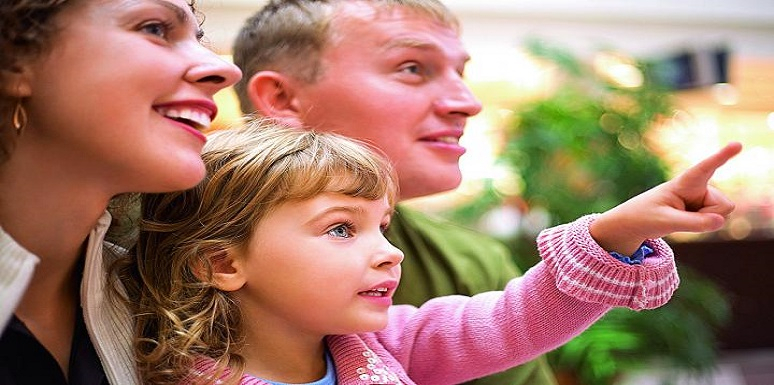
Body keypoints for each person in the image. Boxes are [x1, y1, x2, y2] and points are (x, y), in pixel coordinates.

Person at [125, 122, 741, 385]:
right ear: (221, 263)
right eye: (342, 229)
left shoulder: (388, 343)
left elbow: (513, 319)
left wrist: (614, 233)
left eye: (384, 227)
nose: (389, 254)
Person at [229, 1, 545, 383]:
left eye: (460, 73)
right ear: (282, 98)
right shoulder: (154, 244)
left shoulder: (474, 265)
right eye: (412, 68)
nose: (468, 102)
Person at [0, 0, 241, 383]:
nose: (226, 69)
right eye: (155, 29)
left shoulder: (166, 316)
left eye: (199, 38)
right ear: (14, 57)